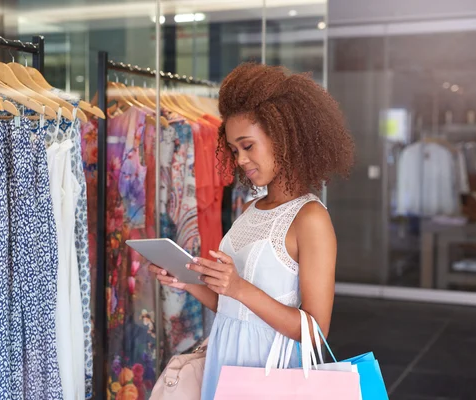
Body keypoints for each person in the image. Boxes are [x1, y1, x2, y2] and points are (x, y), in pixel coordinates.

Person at [149, 62, 354, 400]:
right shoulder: (250, 210)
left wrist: (240, 288)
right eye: (233, 149)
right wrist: (185, 281)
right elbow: (231, 305)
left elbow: (316, 332)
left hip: (269, 369)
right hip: (225, 356)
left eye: (248, 145)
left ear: (283, 138)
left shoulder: (310, 218)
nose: (240, 159)